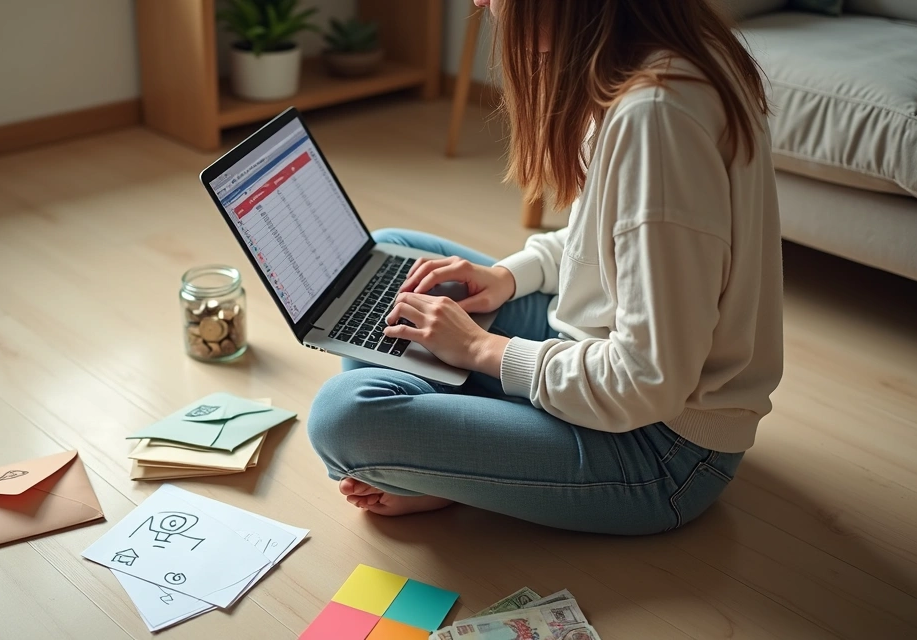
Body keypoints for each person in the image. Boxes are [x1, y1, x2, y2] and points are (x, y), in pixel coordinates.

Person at [306, 0, 783, 535]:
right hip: (597, 357)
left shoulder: (657, 119)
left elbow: (648, 382)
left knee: (342, 416)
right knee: (395, 254)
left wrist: (481, 350)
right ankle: (447, 459)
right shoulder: (640, 65)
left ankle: (439, 463)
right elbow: (602, 242)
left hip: (661, 451)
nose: (480, 3)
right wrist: (509, 276)